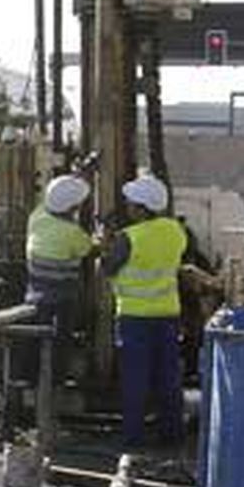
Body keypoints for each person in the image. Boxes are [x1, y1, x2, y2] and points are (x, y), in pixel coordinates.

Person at [102, 173, 184, 449]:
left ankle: (132, 438)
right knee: (168, 377)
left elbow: (108, 268)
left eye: (131, 203)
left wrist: (106, 247)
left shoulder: (129, 237)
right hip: (169, 315)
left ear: (140, 207)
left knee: (135, 379)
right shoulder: (175, 231)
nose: (127, 207)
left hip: (135, 318)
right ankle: (171, 435)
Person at [25, 174, 96, 340]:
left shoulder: (37, 216)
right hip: (62, 297)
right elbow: (89, 250)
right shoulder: (72, 232)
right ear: (72, 208)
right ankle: (60, 362)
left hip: (34, 290)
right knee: (61, 337)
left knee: (37, 336)